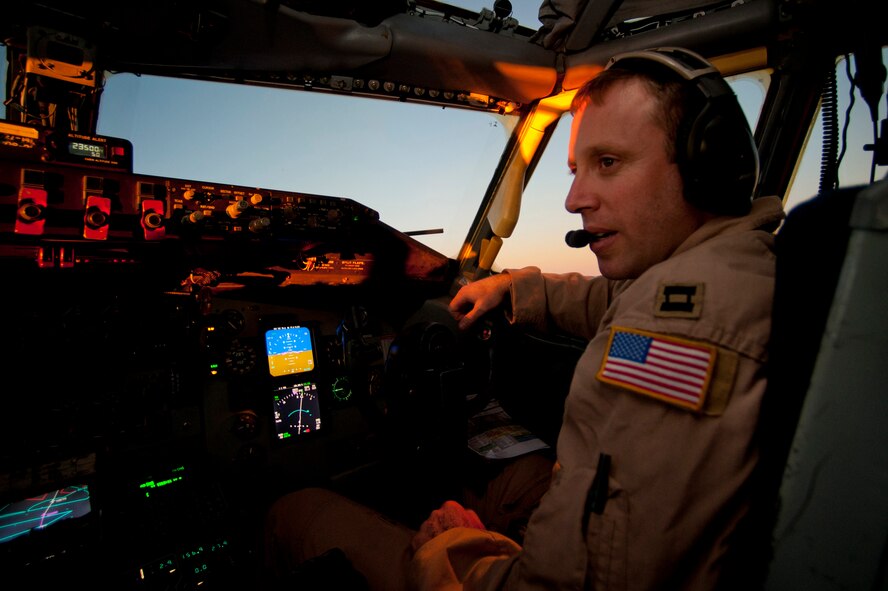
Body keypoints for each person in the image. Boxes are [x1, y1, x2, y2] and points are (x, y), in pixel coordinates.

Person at [262, 46, 785, 590]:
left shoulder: (673, 333)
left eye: (608, 163)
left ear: (705, 165)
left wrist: (454, 546)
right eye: (577, 169)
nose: (575, 199)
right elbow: (605, 299)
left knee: (294, 512)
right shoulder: (720, 272)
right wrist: (510, 287)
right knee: (497, 481)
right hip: (605, 530)